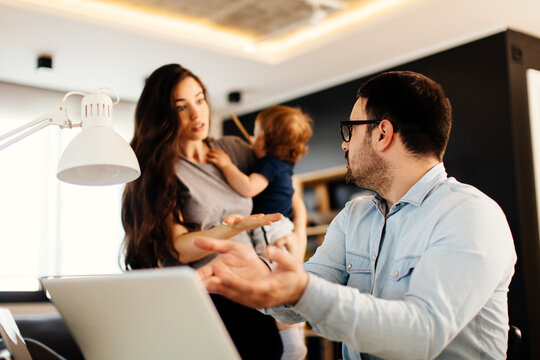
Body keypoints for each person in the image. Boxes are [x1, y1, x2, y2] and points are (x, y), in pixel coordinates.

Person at [194, 71, 517, 359]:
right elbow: (301, 298)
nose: (345, 145)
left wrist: (300, 290)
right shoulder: (356, 214)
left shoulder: (470, 214)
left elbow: (422, 337)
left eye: (349, 130)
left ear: (382, 133)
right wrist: (263, 277)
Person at [121, 63, 308, 359]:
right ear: (163, 115)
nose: (197, 114)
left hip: (254, 286)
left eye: (200, 100)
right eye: (181, 107)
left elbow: (285, 186)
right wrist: (234, 227)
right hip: (208, 295)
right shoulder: (159, 171)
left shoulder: (232, 151)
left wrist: (298, 237)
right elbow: (179, 247)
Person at [207, 105, 313, 261]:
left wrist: (226, 165)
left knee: (271, 265)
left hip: (270, 227)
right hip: (283, 227)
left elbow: (249, 187)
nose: (251, 139)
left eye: (256, 135)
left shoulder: (269, 164)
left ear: (264, 143)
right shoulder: (284, 164)